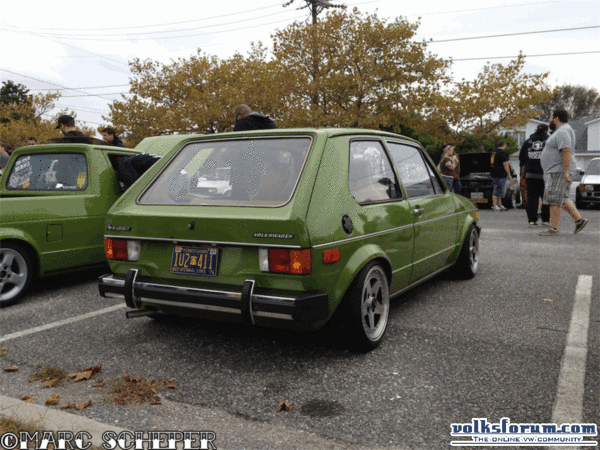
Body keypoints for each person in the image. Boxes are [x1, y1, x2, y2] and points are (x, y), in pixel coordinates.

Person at [538, 109, 588, 236]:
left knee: (554, 199)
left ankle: (553, 228)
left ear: (556, 118)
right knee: (562, 197)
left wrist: (565, 172)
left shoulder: (563, 131)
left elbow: (566, 150)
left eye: (551, 116)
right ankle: (579, 220)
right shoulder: (561, 131)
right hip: (556, 170)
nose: (549, 119)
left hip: (558, 171)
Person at [519, 124, 550, 227]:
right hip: (545, 175)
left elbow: (522, 159)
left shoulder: (528, 142)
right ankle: (545, 220)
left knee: (532, 199)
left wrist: (522, 175)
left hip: (530, 175)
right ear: (546, 130)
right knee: (546, 198)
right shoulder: (549, 141)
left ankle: (532, 221)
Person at [490, 139, 512, 211]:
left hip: (493, 173)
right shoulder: (503, 153)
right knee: (497, 190)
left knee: (499, 189)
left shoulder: (493, 153)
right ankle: (494, 205)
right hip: (501, 174)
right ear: (504, 145)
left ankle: (499, 204)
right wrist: (509, 174)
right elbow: (505, 164)